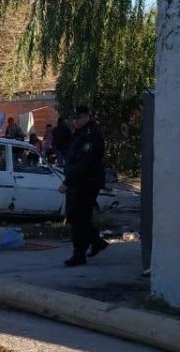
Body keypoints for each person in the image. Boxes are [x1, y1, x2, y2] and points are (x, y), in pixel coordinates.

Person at [58, 105, 108, 267]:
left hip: (86, 182)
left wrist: (68, 182)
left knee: (79, 218)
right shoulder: (80, 134)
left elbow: (83, 163)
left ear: (87, 116)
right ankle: (96, 241)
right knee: (78, 216)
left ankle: (79, 254)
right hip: (80, 181)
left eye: (78, 118)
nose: (76, 121)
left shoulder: (91, 135)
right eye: (74, 119)